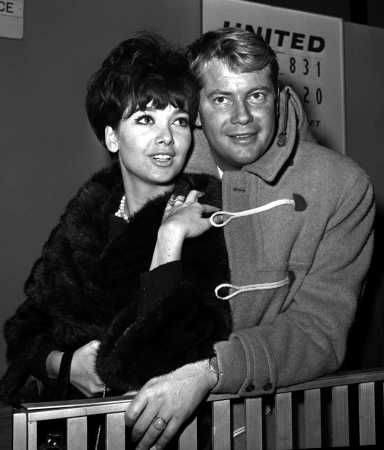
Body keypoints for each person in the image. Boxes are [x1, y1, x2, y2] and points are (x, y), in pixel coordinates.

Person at [124, 28, 375, 449]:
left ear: (276, 97)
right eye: (222, 98)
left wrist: (211, 371)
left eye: (256, 96)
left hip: (280, 426)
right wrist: (63, 360)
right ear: (197, 107)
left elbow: (319, 331)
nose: (242, 116)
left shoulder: (343, 186)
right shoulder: (158, 164)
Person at [0, 33, 231, 433]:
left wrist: (168, 242)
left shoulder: (209, 214)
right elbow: (25, 330)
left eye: (178, 121)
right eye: (145, 119)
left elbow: (163, 359)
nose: (167, 138)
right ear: (112, 137)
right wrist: (65, 365)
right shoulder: (87, 216)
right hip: (70, 431)